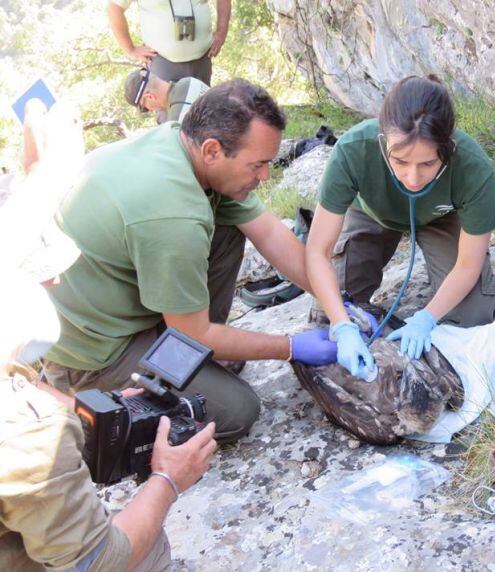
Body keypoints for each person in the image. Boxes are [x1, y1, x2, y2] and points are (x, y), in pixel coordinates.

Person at [42, 79, 335, 443]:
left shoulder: (184, 144)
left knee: (229, 227)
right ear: (212, 150)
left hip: (130, 309)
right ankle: (97, 411)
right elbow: (192, 332)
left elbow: (270, 233)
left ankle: (189, 361)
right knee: (237, 411)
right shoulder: (173, 213)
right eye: (257, 165)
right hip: (95, 354)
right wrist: (291, 347)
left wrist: (339, 304)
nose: (264, 177)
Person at [0, 100, 216, 572]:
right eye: (47, 273)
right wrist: (167, 479)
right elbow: (98, 562)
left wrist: (99, 414)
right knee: (147, 547)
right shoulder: (28, 431)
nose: (58, 282)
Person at [306, 75, 495, 379]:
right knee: (327, 313)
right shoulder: (351, 151)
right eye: (400, 161)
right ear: (383, 142)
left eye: (428, 164)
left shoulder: (473, 167)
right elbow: (318, 251)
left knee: (471, 314)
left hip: (440, 217)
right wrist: (342, 326)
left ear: (447, 148)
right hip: (371, 213)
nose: (412, 178)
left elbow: (467, 265)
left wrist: (427, 317)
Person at [107, 0, 231, 85]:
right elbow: (114, 8)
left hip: (203, 59)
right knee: (172, 119)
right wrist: (131, 50)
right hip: (163, 63)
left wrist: (222, 32)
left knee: (205, 115)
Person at [124, 67, 209, 123]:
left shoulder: (177, 122)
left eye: (144, 108)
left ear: (150, 97)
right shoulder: (189, 81)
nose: (150, 110)